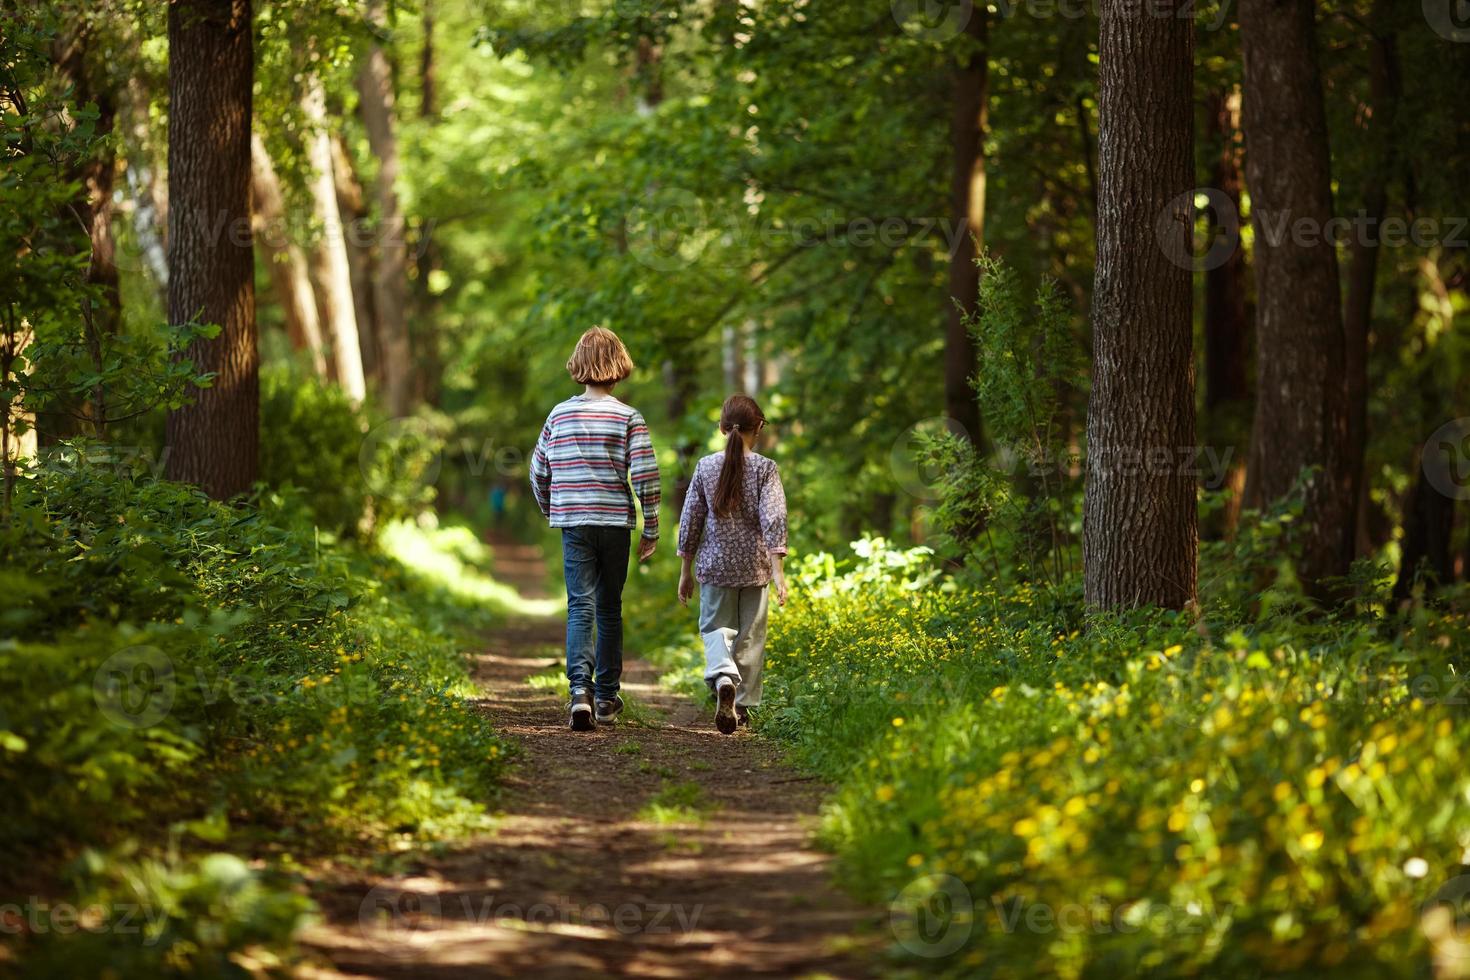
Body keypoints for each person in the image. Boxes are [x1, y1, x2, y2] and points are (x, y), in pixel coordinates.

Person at [530, 327, 661, 731]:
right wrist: (651, 527)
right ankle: (606, 697)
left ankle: (579, 695)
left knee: (579, 605)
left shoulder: (559, 414)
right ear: (618, 366)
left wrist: (554, 507)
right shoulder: (628, 417)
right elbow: (645, 475)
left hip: (575, 523)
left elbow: (539, 470)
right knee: (608, 607)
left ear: (579, 366)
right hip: (614, 524)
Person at [676, 394, 788, 735]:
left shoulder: (706, 466)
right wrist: (779, 571)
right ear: (759, 429)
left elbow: (691, 519)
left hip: (714, 567)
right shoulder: (766, 468)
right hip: (755, 568)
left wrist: (685, 570)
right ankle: (742, 707)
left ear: (722, 428)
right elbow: (774, 518)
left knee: (715, 633)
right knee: (751, 637)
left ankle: (724, 677)